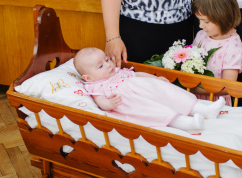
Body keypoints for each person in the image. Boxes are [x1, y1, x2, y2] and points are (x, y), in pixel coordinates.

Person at [74, 47, 225, 131]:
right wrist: (110, 103)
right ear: (88, 77)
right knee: (155, 111)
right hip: (133, 103)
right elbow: (101, 102)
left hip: (149, 90)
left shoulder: (117, 72)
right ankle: (188, 123)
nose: (108, 65)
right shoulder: (96, 86)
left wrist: (155, 79)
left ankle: (205, 109)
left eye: (107, 60)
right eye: (101, 65)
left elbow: (137, 74)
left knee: (169, 92)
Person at [192, 0, 242, 105]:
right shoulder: (201, 35)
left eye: (206, 21)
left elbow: (227, 87)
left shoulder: (233, 48)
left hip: (216, 104)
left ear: (223, 17)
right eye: (199, 20)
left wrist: (194, 89)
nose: (201, 26)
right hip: (194, 101)